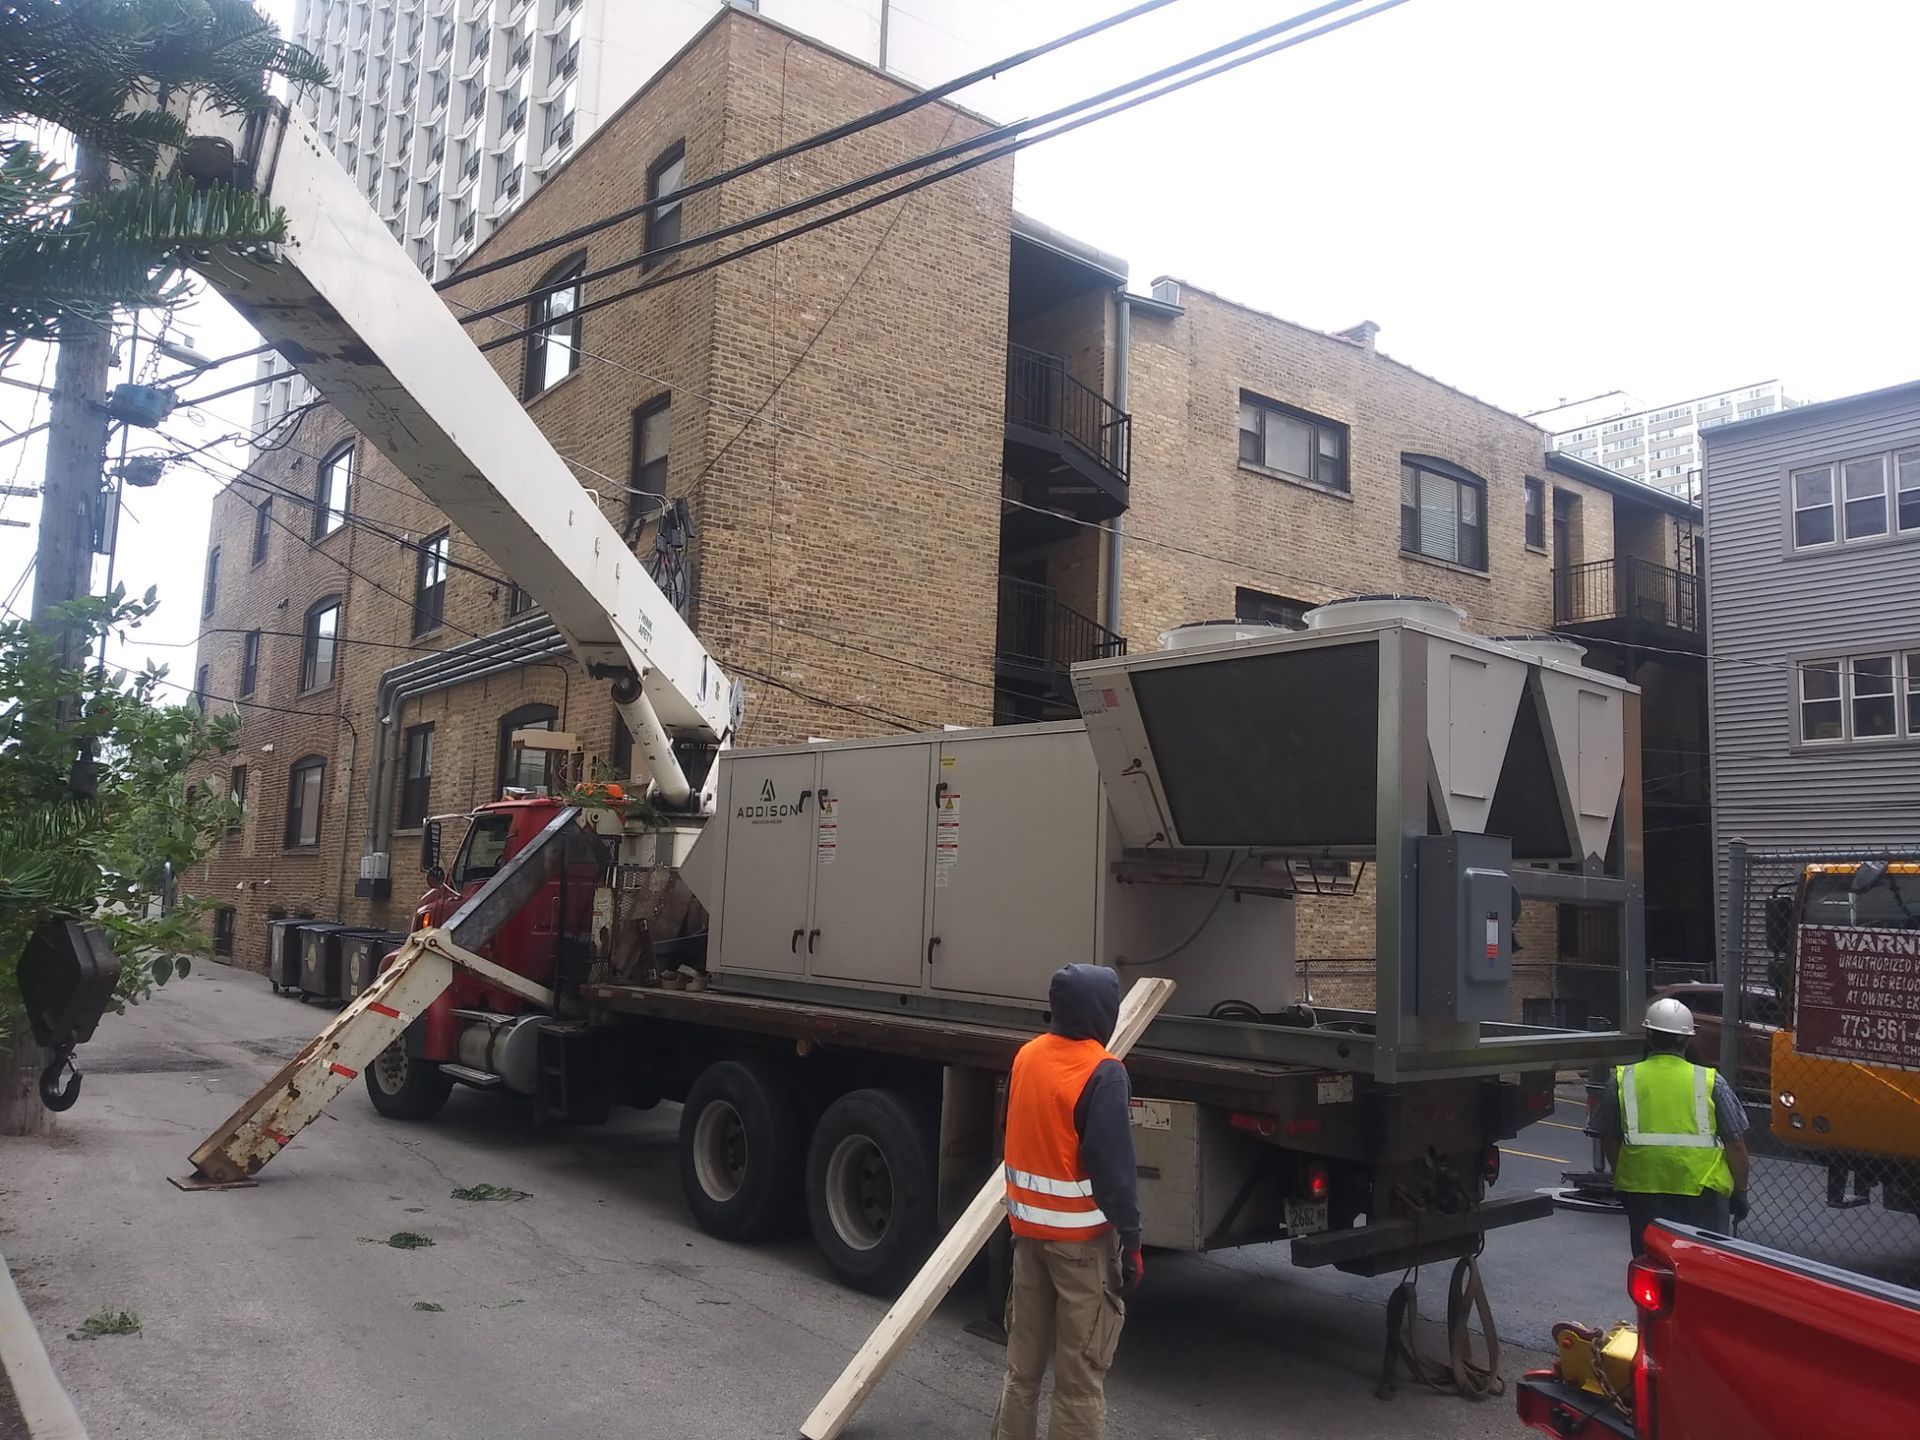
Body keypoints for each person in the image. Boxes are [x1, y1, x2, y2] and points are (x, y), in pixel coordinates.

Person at [992, 964, 1142, 1440]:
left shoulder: (1026, 1058)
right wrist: (1133, 1243)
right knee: (1079, 1383)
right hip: (1081, 1248)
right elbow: (1115, 1171)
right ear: (1105, 1012)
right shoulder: (1104, 1073)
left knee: (1021, 1371)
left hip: (1027, 1238)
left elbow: (1008, 1130)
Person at [1595, 996, 1751, 1256]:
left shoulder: (1622, 1080)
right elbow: (1735, 1144)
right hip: (1703, 1193)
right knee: (1701, 1267)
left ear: (1648, 1036)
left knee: (1651, 1262)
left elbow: (1609, 1138)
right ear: (1688, 1039)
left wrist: (1622, 1177)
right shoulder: (1711, 1082)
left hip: (1643, 1191)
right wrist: (1741, 1191)